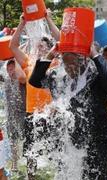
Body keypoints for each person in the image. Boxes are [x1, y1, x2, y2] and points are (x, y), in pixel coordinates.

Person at [29, 43, 107, 179]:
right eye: (66, 65)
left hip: (97, 140)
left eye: (72, 64)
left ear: (83, 60)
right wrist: (50, 55)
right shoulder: (59, 78)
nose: (69, 69)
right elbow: (35, 80)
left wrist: (94, 55)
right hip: (69, 141)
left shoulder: (95, 75)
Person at [9, 13, 59, 179]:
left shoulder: (55, 62)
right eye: (39, 46)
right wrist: (21, 23)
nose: (40, 48)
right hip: (32, 113)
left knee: (55, 149)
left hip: (51, 113)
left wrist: (48, 19)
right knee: (31, 151)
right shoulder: (29, 61)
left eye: (44, 46)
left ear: (50, 48)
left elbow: (62, 40)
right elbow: (13, 46)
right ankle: (31, 177)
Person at [3, 60, 26, 172]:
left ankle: (30, 159)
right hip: (10, 116)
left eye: (13, 68)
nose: (10, 71)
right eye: (9, 69)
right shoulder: (6, 80)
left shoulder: (21, 80)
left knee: (26, 138)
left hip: (22, 114)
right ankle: (15, 163)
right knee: (13, 140)